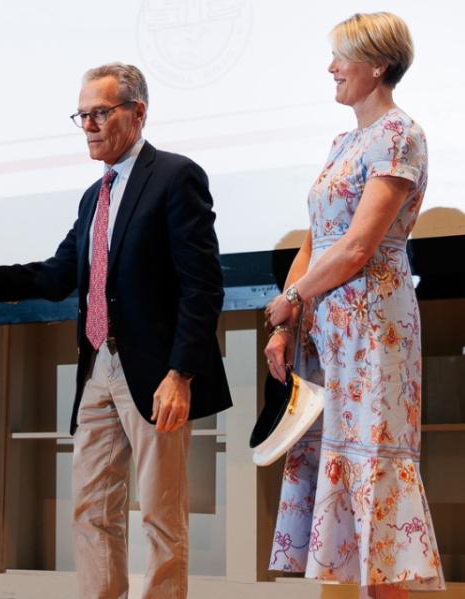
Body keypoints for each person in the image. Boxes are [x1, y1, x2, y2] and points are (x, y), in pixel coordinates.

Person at [0, 63, 231, 599]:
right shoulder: (95, 195)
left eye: (100, 113)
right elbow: (55, 274)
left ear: (137, 113)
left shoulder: (175, 176)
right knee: (91, 510)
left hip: (156, 371)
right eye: (82, 115)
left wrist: (181, 373)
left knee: (160, 515)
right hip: (97, 365)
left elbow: (202, 286)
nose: (89, 125)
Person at [264, 12, 445, 598]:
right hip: (329, 329)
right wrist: (288, 321)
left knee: (372, 466)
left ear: (378, 65)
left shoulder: (399, 134)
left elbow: (361, 244)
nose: (331, 67)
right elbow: (317, 237)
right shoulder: (344, 142)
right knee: (335, 464)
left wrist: (294, 295)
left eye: (342, 57)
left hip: (374, 327)